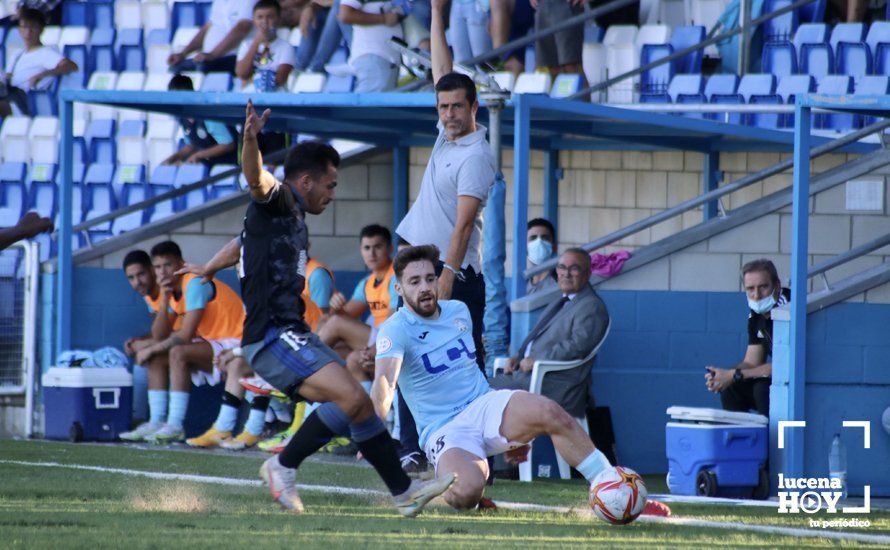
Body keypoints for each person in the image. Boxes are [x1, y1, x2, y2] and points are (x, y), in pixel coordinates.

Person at [188, 100, 454, 515]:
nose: (333, 194)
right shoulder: (278, 201)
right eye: (330, 185)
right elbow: (256, 178)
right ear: (306, 181)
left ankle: (402, 495)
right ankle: (283, 465)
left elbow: (242, 243)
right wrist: (250, 140)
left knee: (358, 404)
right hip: (273, 336)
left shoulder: (288, 218)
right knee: (352, 393)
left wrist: (208, 266)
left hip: (291, 333)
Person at [370, 245, 618, 509]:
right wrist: (372, 429)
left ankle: (610, 483)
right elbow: (385, 381)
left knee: (549, 411)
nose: (425, 287)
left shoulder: (458, 312)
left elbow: (472, 367)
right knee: (468, 491)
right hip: (444, 427)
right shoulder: (394, 329)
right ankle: (441, 488)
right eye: (414, 281)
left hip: (484, 404)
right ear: (399, 289)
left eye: (430, 278)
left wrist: (519, 433)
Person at [394, 0, 496, 469]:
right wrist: (437, 13)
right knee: (408, 360)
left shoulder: (475, 155)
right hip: (420, 270)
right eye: (443, 106)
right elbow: (443, 69)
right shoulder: (447, 135)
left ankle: (480, 453)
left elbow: (462, 226)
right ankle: (411, 448)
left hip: (450, 273)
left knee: (460, 367)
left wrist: (446, 278)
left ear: (474, 108)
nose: (449, 113)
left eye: (457, 106)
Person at [120, 240, 245, 444]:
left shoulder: (194, 282)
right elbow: (160, 335)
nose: (162, 272)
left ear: (181, 263)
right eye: (158, 267)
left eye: (168, 265)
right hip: (215, 343)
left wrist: (150, 349)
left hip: (236, 341)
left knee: (176, 352)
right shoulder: (170, 290)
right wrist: (165, 297)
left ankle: (175, 425)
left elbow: (185, 336)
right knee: (158, 358)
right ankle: (157, 421)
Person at [490, 248, 609, 419]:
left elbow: (578, 346)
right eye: (561, 267)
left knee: (483, 393)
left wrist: (537, 360)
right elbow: (535, 336)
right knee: (478, 390)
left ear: (588, 273)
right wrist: (518, 356)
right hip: (526, 376)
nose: (566, 274)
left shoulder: (592, 306)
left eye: (574, 268)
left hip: (554, 385)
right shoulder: (562, 300)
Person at [705, 259, 790, 418]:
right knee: (731, 387)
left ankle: (773, 441)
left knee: (762, 389)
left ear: (777, 285)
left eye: (763, 287)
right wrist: (723, 376)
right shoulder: (755, 315)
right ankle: (742, 440)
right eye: (750, 289)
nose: (756, 295)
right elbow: (752, 362)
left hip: (800, 384)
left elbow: (786, 367)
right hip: (781, 379)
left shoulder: (789, 310)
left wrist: (734, 375)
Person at [317, 224, 397, 388]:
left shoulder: (396, 275)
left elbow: (394, 323)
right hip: (376, 337)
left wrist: (375, 347)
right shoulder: (367, 282)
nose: (372, 254)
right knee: (336, 346)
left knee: (335, 324)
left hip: (391, 339)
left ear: (390, 248)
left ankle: (300, 365)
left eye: (377, 247)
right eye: (366, 248)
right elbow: (346, 314)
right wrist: (336, 307)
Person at [1, 8, 77, 116]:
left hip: (25, 103)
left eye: (33, 27)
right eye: (25, 26)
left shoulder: (46, 52)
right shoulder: (17, 54)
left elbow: (71, 65)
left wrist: (42, 74)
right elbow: (8, 78)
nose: (28, 32)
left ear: (41, 29)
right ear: (19, 29)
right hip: (9, 97)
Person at [163, 74, 239, 166]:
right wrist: (173, 158)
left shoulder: (207, 115)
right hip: (209, 166)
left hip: (228, 166)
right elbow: (192, 145)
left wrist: (199, 155)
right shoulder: (183, 118)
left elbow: (228, 144)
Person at [167, 0, 255, 73]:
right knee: (176, 67)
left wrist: (213, 55)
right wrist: (183, 54)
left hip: (235, 59)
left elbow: (243, 27)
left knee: (202, 67)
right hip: (210, 59)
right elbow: (208, 26)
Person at [337, 0, 403, 92]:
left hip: (383, 60)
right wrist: (384, 19)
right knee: (371, 104)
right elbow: (345, 15)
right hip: (374, 58)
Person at [235, 0, 296, 91]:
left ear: (278, 19)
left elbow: (279, 79)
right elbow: (242, 74)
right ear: (254, 21)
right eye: (260, 17)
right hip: (249, 97)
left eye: (270, 17)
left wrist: (252, 78)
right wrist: (256, 43)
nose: (265, 22)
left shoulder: (286, 47)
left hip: (276, 98)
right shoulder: (246, 45)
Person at [121, 250, 164, 359]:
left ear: (152, 270)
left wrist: (147, 344)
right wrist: (139, 340)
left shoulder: (168, 289)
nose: (137, 282)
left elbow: (181, 333)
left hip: (199, 341)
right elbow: (159, 332)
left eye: (141, 274)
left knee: (152, 358)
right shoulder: (147, 296)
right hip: (177, 343)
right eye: (131, 278)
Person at [530, 0, 585, 81]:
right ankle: (559, 94)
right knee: (550, 65)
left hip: (567, 5)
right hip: (543, 5)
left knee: (571, 65)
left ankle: (583, 93)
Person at [525, 217, 557, 295]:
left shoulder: (561, 280)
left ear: (554, 246)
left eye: (545, 238)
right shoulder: (521, 283)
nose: (539, 242)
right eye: (533, 238)